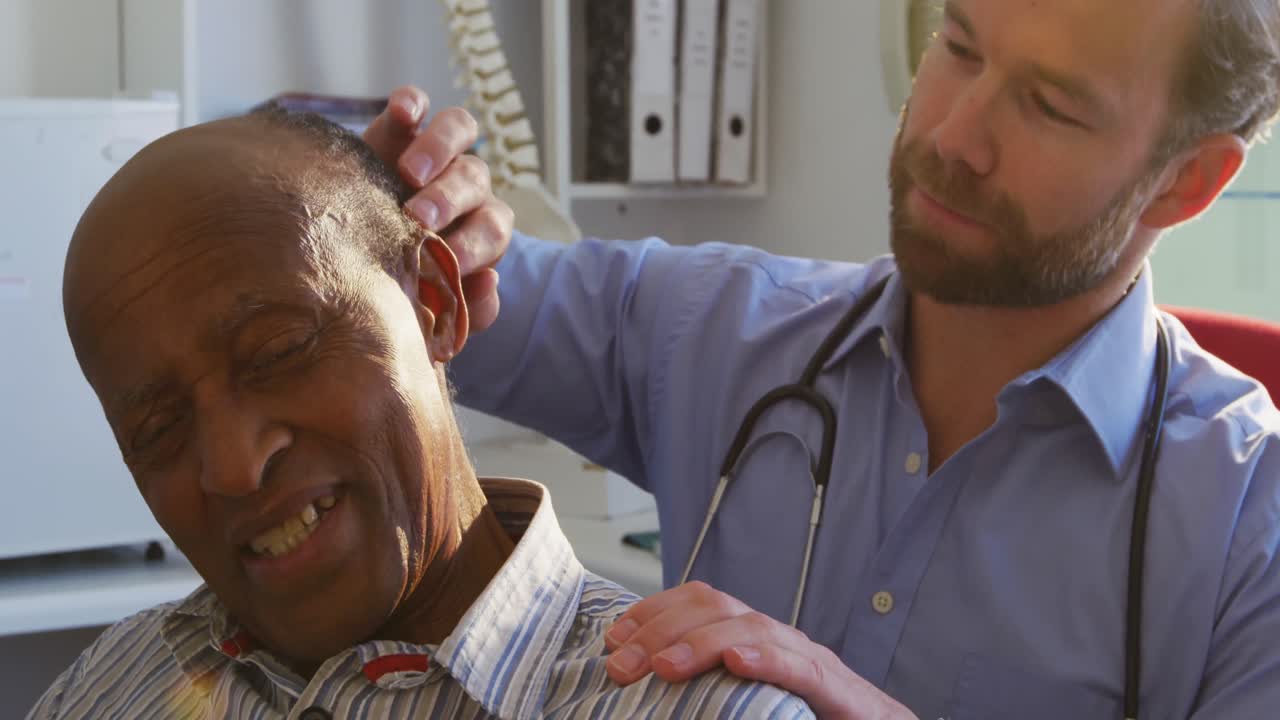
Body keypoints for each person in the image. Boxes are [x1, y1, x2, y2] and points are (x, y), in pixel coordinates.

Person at [370, 0, 1280, 717]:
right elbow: (402, 286)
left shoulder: (1250, 526)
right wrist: (360, 210)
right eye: (958, 46)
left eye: (1048, 105)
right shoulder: (715, 326)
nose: (953, 135)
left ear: (1185, 179)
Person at [28, 106, 814, 719]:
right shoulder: (107, 687)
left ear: (433, 304)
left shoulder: (689, 706)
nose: (233, 466)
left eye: (278, 352)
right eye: (158, 429)